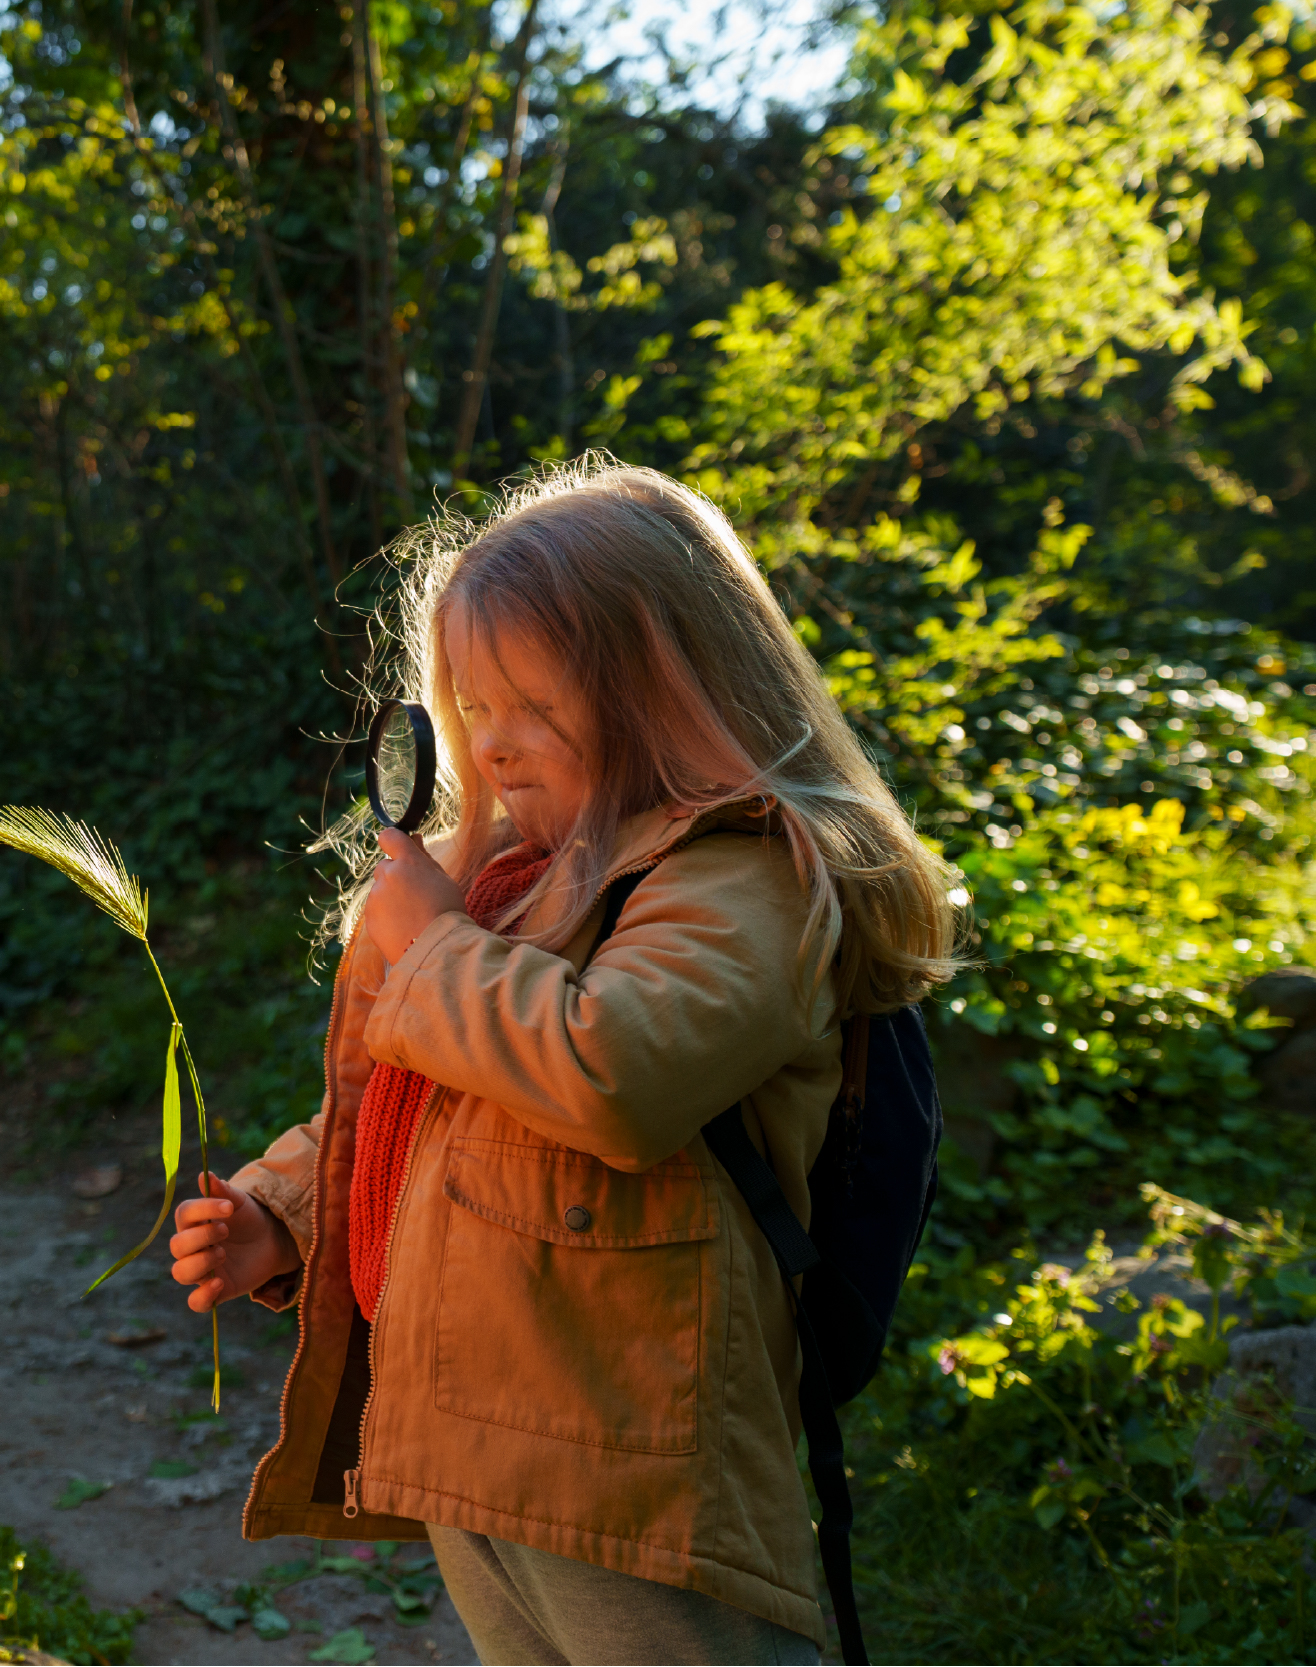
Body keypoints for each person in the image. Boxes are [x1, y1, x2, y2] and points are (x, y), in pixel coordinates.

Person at [166, 458, 961, 1665]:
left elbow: (608, 1069)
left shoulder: (746, 874)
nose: (494, 749)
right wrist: (285, 1212)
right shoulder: (519, 889)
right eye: (473, 709)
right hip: (477, 1441)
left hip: (632, 1458)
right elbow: (425, 1109)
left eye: (532, 708)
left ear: (670, 690)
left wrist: (431, 944)